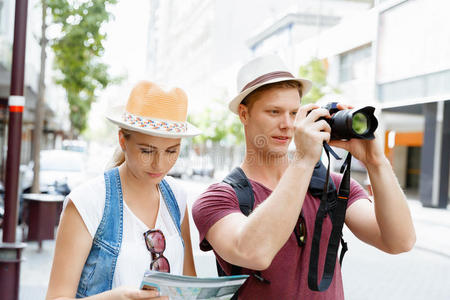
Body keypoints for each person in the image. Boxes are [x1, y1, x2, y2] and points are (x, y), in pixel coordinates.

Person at [192, 55, 416, 299]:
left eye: (294, 113)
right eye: (274, 112)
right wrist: (304, 160)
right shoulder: (218, 199)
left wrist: (376, 162)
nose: (287, 124)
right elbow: (254, 252)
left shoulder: (334, 186)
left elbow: (399, 241)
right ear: (244, 115)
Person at [46, 81, 201, 300]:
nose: (160, 164)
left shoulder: (177, 197)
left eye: (171, 151)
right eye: (147, 151)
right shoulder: (88, 201)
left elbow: (189, 286)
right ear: (123, 140)